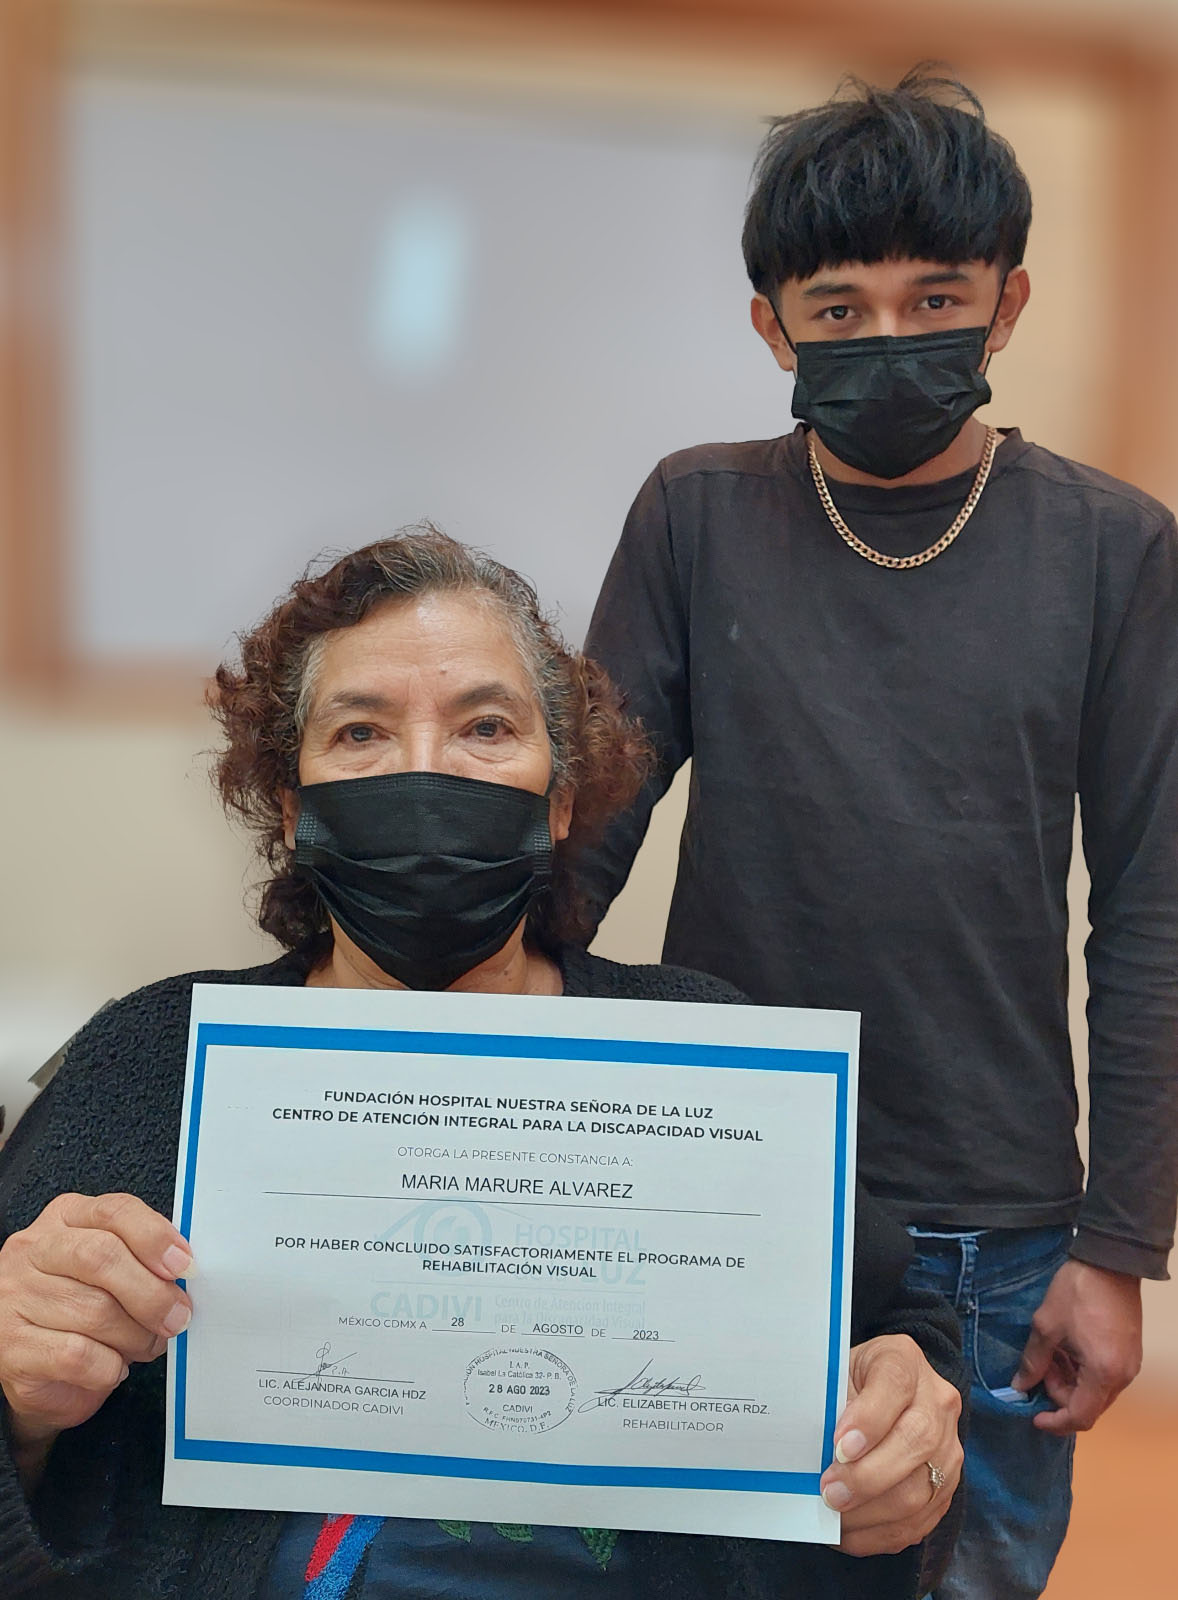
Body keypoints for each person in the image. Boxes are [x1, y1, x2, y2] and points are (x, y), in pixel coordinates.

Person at [0, 528, 963, 1600]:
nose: (425, 772)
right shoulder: (151, 1057)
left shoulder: (706, 1053)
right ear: (292, 805)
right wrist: (22, 1399)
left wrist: (907, 1411)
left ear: (558, 801)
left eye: (485, 727)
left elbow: (893, 1319)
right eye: (360, 730)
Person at [577, 69, 1178, 1600]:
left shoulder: (1114, 548)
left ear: (1007, 303)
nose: (885, 337)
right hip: (720, 1176)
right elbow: (585, 836)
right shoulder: (693, 514)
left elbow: (1155, 905)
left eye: (936, 297)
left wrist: (1115, 1248)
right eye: (835, 309)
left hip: (994, 1222)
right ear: (771, 324)